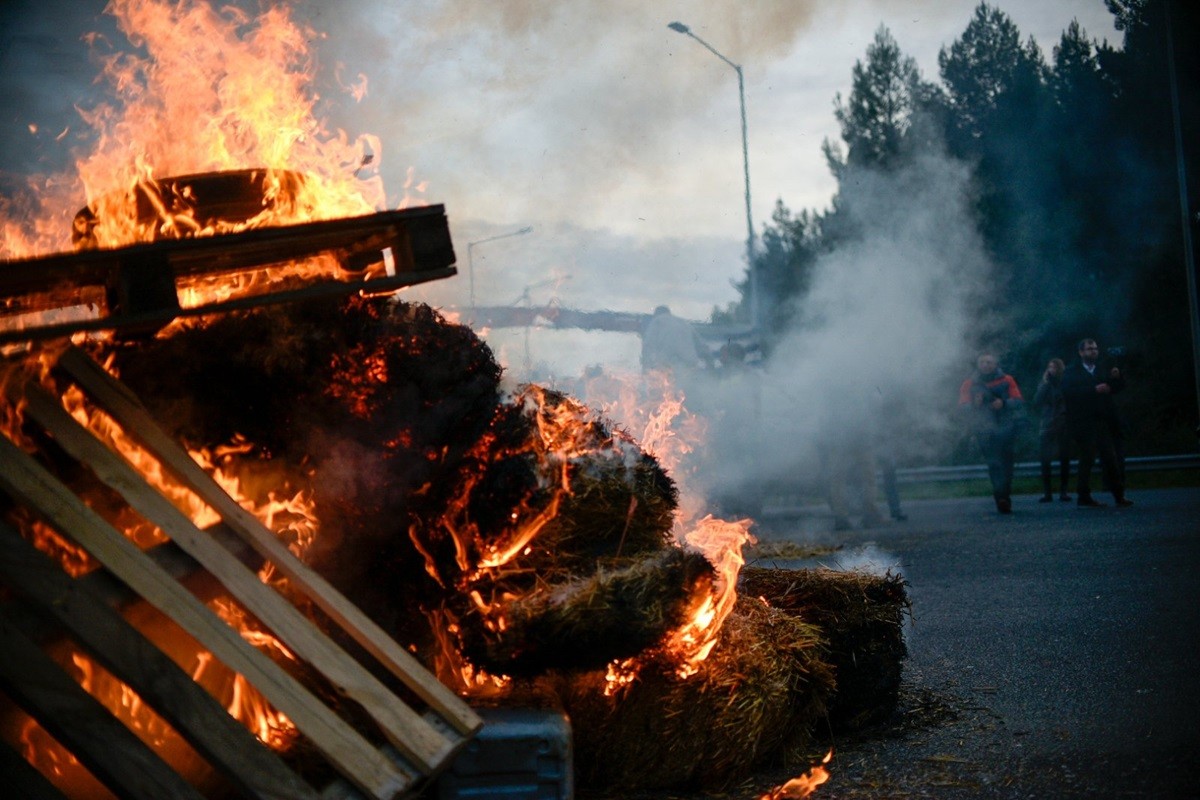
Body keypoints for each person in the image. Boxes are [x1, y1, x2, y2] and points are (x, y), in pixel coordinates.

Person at [1061, 338, 1132, 508]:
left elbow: (1115, 388)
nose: (1093, 351)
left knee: (1110, 458)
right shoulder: (1072, 371)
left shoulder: (1102, 369)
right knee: (1088, 458)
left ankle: (1118, 495)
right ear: (1081, 352)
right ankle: (1083, 495)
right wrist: (1093, 390)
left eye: (1095, 348)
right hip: (1083, 421)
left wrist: (1117, 378)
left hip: (1102, 420)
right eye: (1089, 349)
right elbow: (1068, 392)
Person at [958, 353, 1024, 514]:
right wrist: (975, 405)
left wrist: (1004, 403)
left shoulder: (1007, 380)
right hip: (984, 429)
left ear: (995, 364)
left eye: (989, 362)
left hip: (1006, 427)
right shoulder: (969, 383)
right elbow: (962, 406)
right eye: (982, 362)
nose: (985, 365)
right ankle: (1000, 498)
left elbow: (1019, 401)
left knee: (1007, 464)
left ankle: (1005, 496)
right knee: (994, 463)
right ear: (978, 365)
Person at [1032, 357, 1071, 503]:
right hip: (1047, 424)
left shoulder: (1065, 383)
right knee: (1045, 459)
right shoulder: (1044, 384)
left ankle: (1063, 491)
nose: (1051, 370)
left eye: (1054, 367)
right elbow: (1037, 401)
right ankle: (1047, 492)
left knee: (1064, 458)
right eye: (1049, 367)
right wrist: (1046, 384)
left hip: (1063, 423)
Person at [640, 305, 710, 373]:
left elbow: (648, 345)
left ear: (656, 314)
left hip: (668, 363)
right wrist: (710, 363)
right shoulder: (684, 322)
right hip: (689, 364)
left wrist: (645, 367)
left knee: (663, 380)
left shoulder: (657, 321)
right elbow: (701, 345)